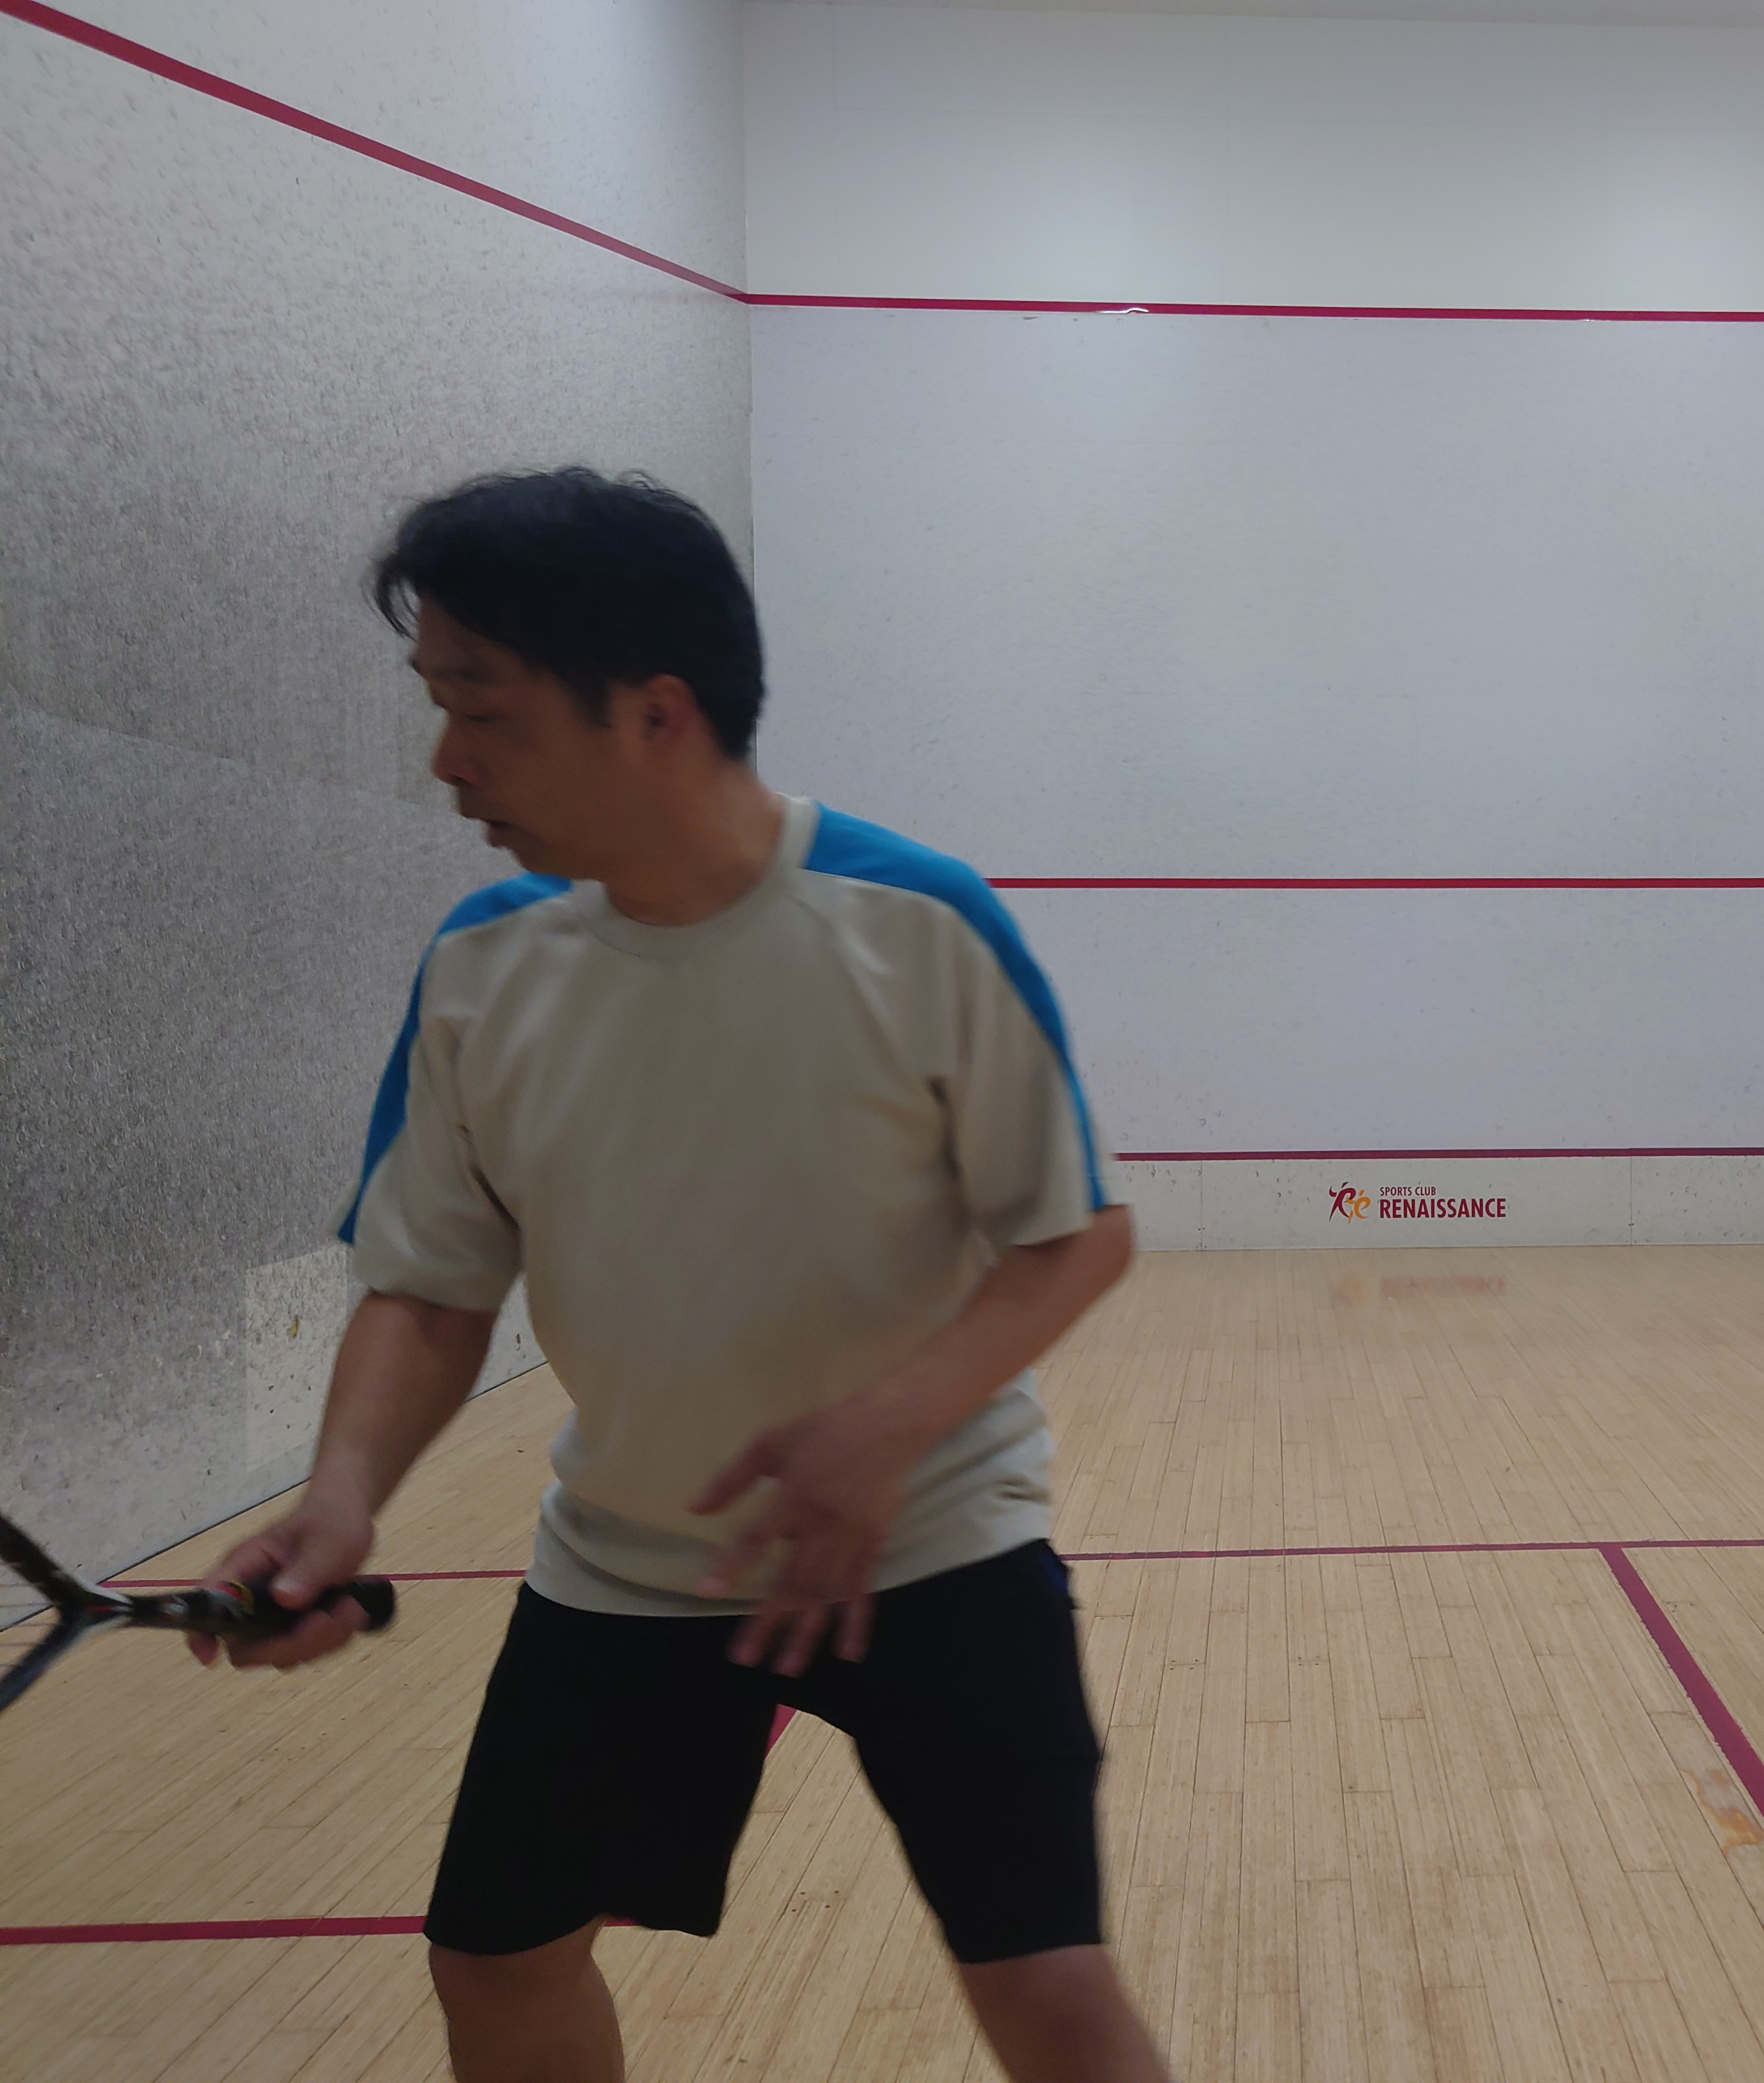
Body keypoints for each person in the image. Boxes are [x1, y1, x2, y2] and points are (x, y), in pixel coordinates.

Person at [194, 468, 1171, 2082]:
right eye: (439, 707)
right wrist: (343, 1495)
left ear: (654, 711)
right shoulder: (485, 966)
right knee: (497, 1964)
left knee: (1048, 1989)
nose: (446, 760)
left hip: (936, 1544)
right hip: (632, 1567)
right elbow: (432, 1285)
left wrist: (882, 1432)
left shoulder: (916, 924)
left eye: (483, 710)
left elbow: (1075, 1234)